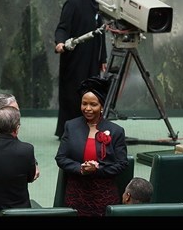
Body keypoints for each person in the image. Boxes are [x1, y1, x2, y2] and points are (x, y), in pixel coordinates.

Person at [55, 76, 128, 216]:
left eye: (93, 104)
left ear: (101, 106)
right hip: (76, 194)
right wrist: (80, 168)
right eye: (84, 104)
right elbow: (61, 158)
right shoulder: (71, 126)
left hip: (104, 195)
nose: (87, 108)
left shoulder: (116, 131)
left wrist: (97, 169)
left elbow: (122, 164)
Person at [54, 0, 107, 138]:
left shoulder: (98, 3)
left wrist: (103, 58)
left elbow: (101, 33)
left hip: (92, 58)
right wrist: (60, 42)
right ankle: (69, 131)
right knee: (73, 94)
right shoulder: (74, 2)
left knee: (91, 91)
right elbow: (62, 27)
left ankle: (88, 128)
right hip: (75, 58)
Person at [0, 93, 39, 180]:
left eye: (18, 110)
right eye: (13, 111)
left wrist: (34, 164)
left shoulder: (7, 130)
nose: (18, 115)